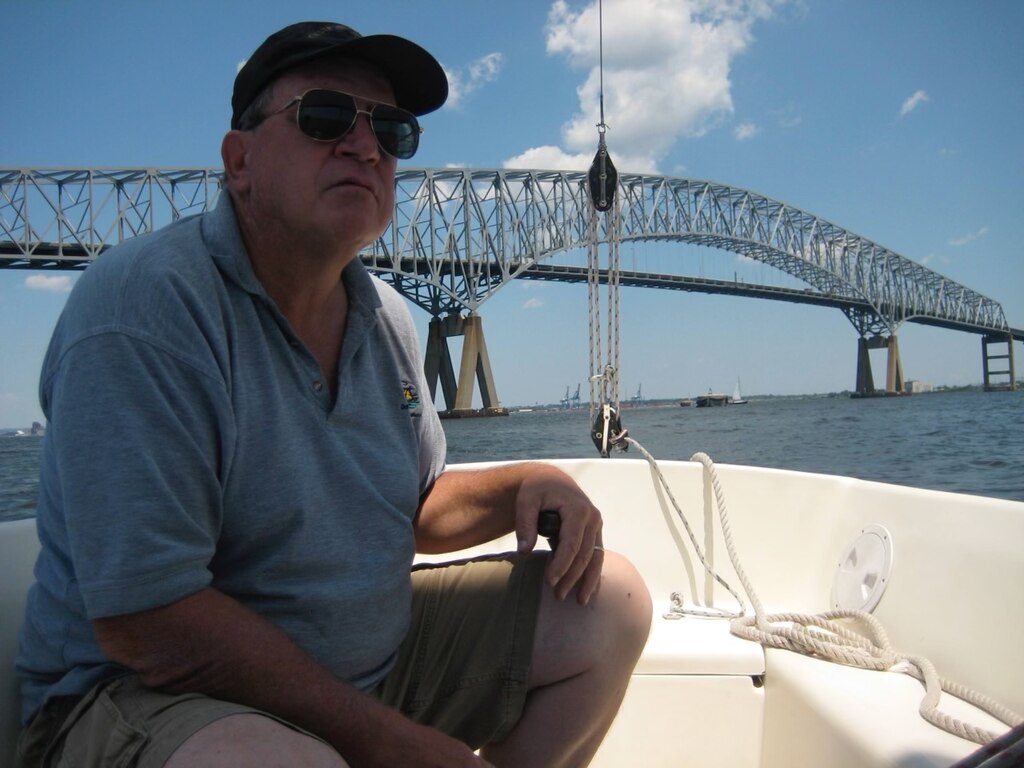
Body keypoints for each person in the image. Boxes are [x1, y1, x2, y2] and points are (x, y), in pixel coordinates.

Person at [15, 21, 652, 768]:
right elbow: (146, 621)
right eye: (324, 118)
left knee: (612, 604)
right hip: (141, 697)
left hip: (361, 670)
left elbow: (409, 509)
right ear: (239, 161)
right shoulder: (142, 312)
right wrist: (392, 744)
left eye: (392, 131)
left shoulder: (385, 318)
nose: (364, 146)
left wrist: (532, 479)